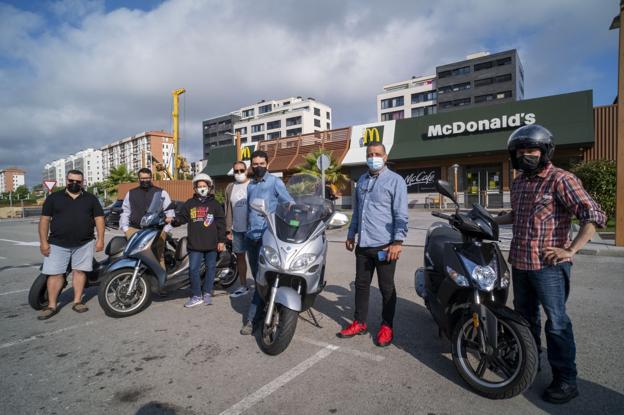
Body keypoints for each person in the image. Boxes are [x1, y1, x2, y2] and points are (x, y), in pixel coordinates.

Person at [496, 124, 606, 404]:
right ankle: (530, 366)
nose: (525, 155)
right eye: (520, 151)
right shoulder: (519, 181)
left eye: (531, 150)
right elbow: (517, 214)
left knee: (557, 323)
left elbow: (592, 215)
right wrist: (491, 220)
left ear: (545, 151)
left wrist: (570, 249)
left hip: (548, 268)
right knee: (525, 320)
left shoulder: (561, 179)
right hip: (520, 263)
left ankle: (566, 380)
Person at [337, 142, 408, 347]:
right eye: (370, 154)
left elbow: (401, 214)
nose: (373, 157)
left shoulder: (396, 181)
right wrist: (351, 234)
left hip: (386, 246)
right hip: (364, 244)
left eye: (377, 154)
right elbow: (358, 212)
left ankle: (387, 326)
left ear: (385, 157)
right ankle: (359, 322)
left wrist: (397, 241)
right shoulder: (362, 181)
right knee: (361, 285)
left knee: (386, 288)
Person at [37, 170, 105, 319]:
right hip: (57, 243)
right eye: (71, 180)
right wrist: (43, 242)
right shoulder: (54, 198)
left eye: (78, 181)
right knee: (55, 274)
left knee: (79, 272)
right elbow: (44, 220)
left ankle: (77, 301)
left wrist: (100, 239)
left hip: (84, 243)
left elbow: (99, 219)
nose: (74, 183)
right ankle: (52, 305)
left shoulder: (91, 199)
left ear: (83, 182)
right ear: (66, 180)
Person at [240, 150, 294, 335]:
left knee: (261, 278)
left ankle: (252, 319)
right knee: (258, 279)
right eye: (255, 164)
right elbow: (250, 210)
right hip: (251, 237)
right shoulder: (251, 185)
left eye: (261, 163)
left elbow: (289, 204)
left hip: (267, 237)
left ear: (267, 164)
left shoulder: (275, 182)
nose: (258, 167)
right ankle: (267, 308)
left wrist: (285, 215)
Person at [166, 174, 225, 307]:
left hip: (212, 244)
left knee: (211, 268)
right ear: (195, 188)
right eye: (199, 187)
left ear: (209, 187)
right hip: (195, 244)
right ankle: (197, 295)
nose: (202, 188)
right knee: (193, 269)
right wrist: (173, 221)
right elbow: (182, 218)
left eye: (204, 186)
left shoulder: (214, 204)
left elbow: (221, 223)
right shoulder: (190, 203)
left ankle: (208, 293)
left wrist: (221, 241)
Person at [119, 168, 173, 267]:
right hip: (135, 230)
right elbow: (125, 211)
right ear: (138, 179)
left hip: (156, 231)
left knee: (158, 258)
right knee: (134, 257)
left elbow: (169, 212)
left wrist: (165, 231)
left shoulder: (161, 192)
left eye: (147, 178)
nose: (145, 180)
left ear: (151, 178)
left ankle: (161, 280)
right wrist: (126, 229)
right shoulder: (131, 193)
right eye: (142, 178)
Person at [224, 160, 251, 298]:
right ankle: (243, 285)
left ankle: (261, 287)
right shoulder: (230, 187)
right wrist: (228, 229)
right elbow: (227, 209)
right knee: (240, 257)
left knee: (256, 258)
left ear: (246, 170)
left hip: (253, 230)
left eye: (242, 170)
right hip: (237, 230)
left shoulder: (253, 184)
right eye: (236, 171)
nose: (239, 173)